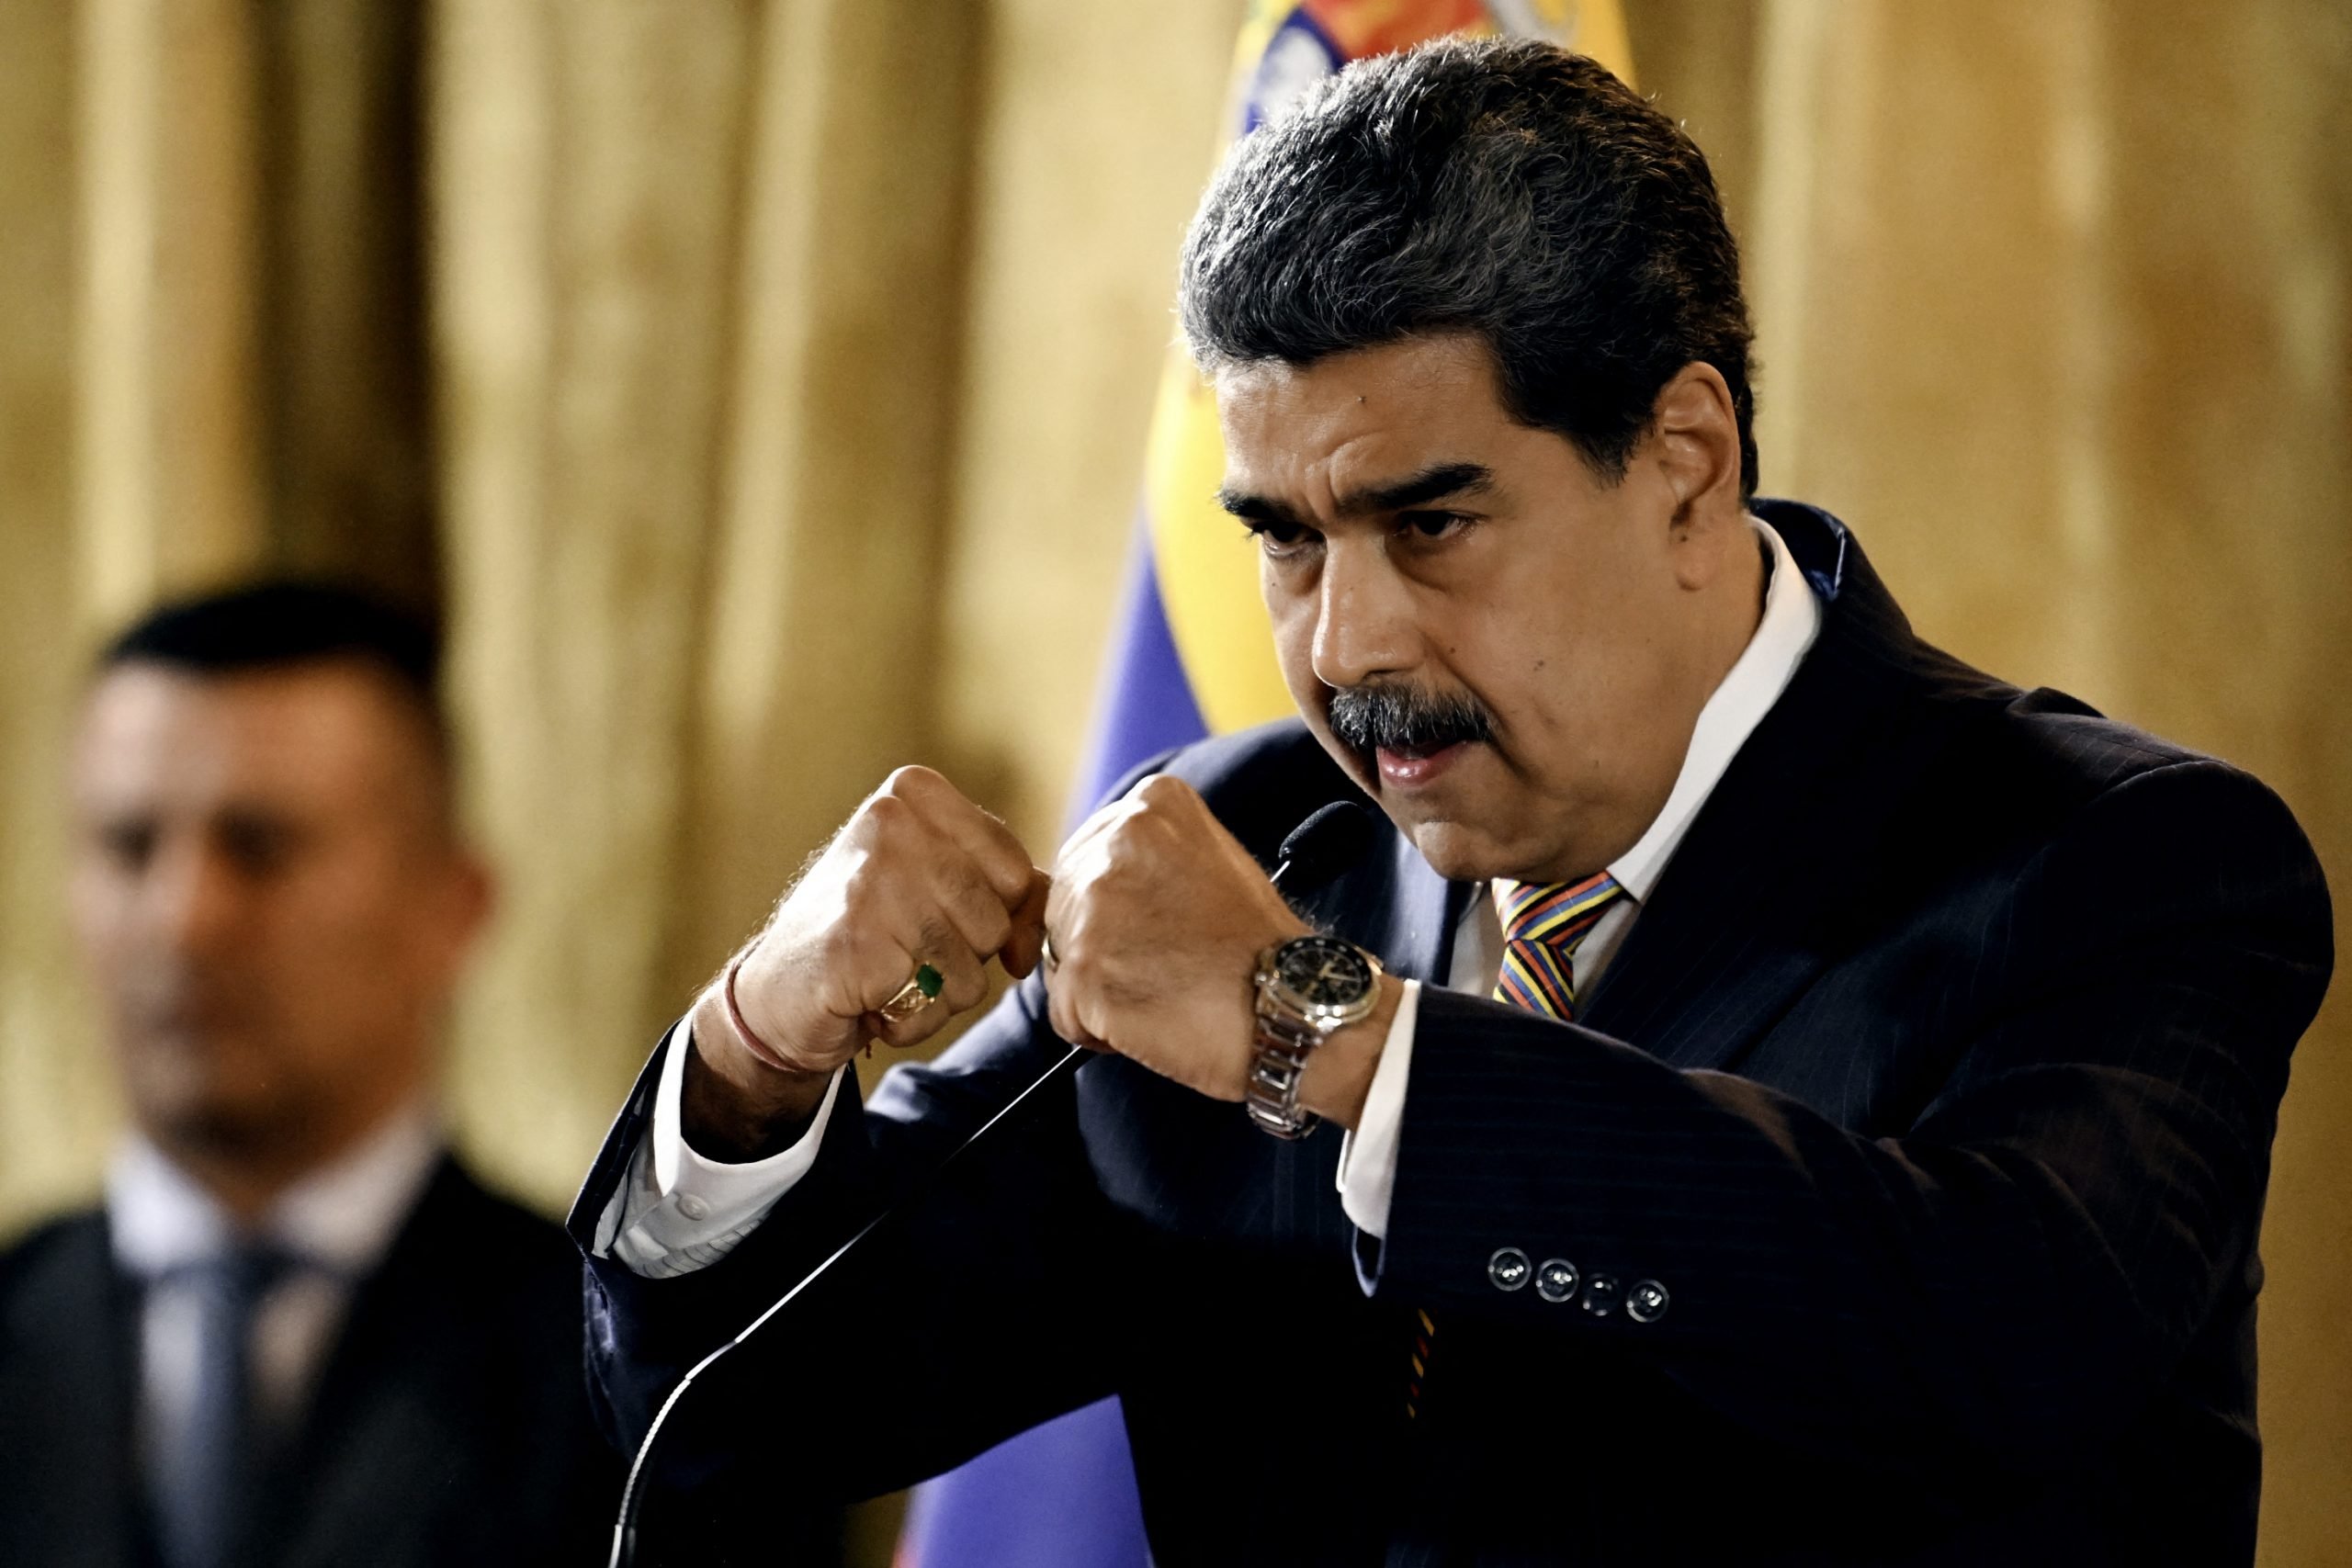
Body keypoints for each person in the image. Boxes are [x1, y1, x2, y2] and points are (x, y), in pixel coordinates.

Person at [571, 39, 2332, 1567]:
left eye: (1429, 524)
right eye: (1284, 541)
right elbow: (725, 1410)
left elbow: (2002, 1347)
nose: (1344, 644)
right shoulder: (1247, 838)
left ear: (1686, 463)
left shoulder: (2124, 861)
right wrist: (756, 1046)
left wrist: (1331, 1041)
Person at [0, 583, 616, 1568]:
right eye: (129, 847)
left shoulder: (629, 1384)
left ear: (451, 907)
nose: (182, 920)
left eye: (260, 848)